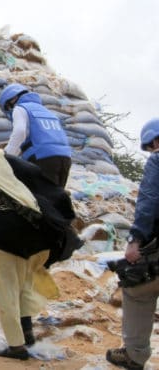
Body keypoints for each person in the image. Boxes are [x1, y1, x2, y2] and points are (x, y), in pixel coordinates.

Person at [0, 126, 80, 361]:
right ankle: (27, 332)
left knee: (5, 288)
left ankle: (16, 346)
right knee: (24, 282)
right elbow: (39, 179)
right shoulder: (4, 158)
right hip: (34, 226)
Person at [106, 118, 159, 370]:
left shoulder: (158, 160)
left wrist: (135, 240)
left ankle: (135, 354)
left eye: (150, 146)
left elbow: (148, 201)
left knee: (138, 291)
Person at [0, 83, 72, 187]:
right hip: (65, 158)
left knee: (39, 198)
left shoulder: (20, 108)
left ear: (11, 100)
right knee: (55, 197)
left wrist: (7, 156)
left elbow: (20, 132)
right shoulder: (48, 112)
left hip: (42, 158)